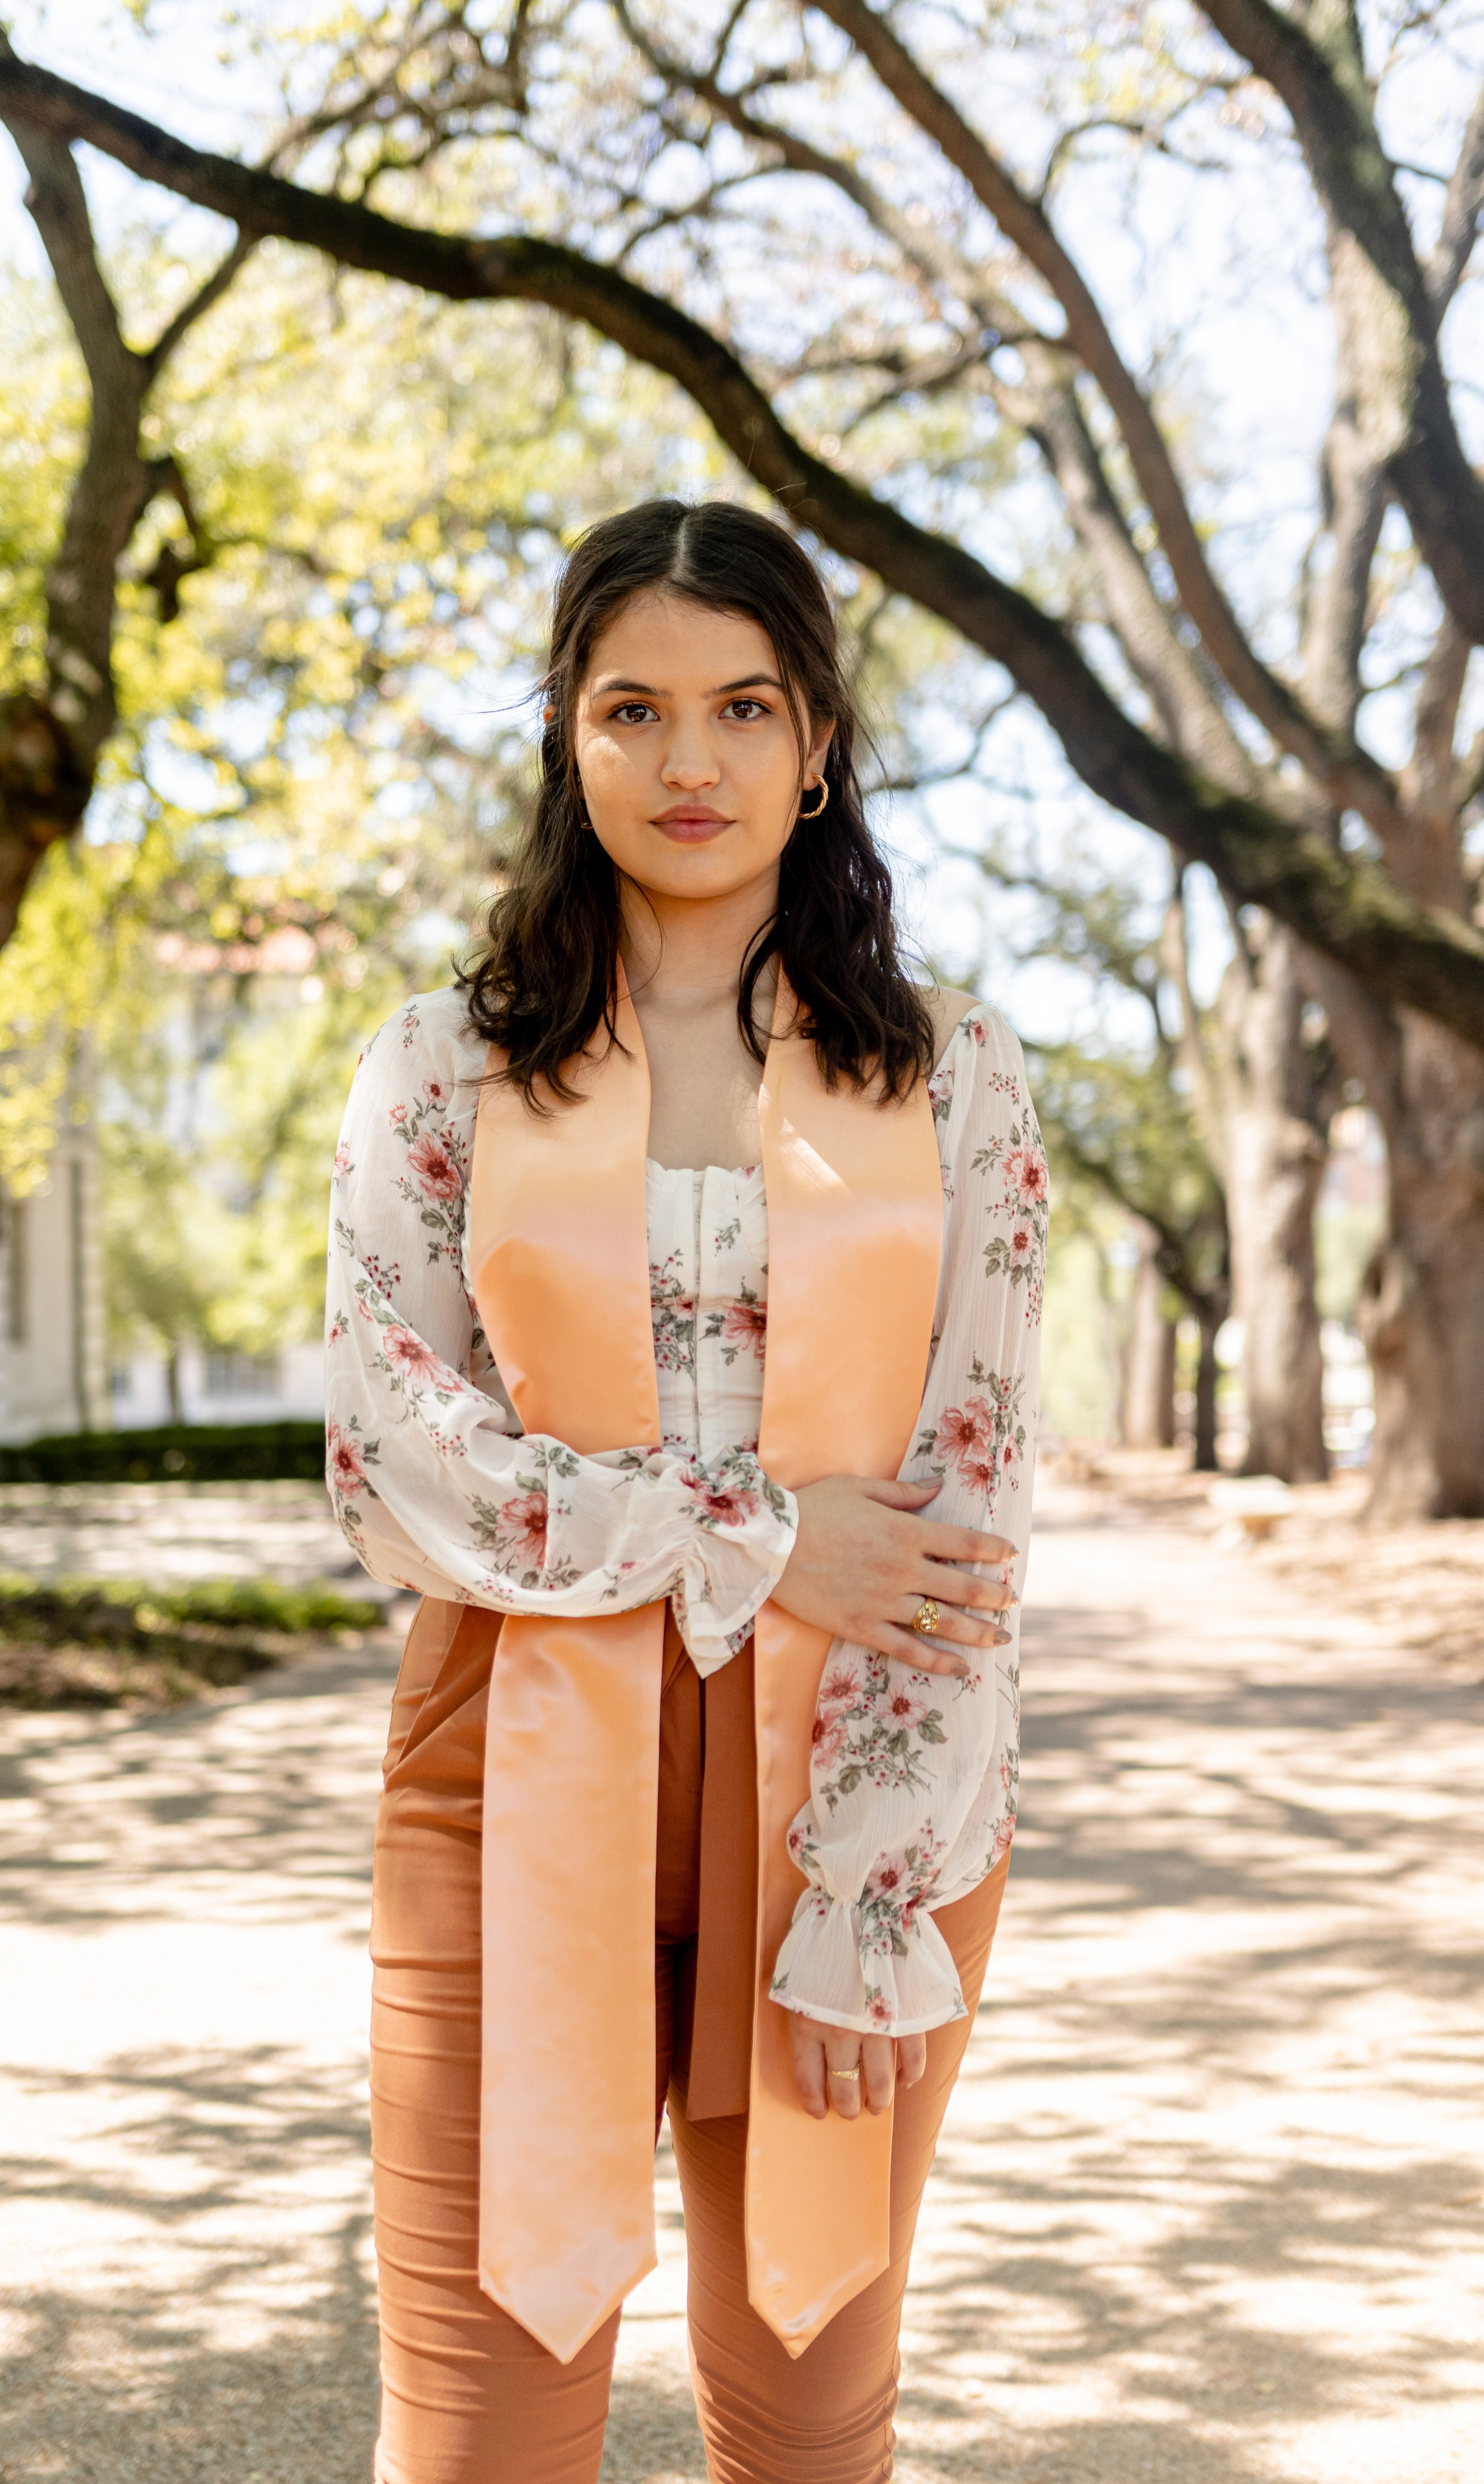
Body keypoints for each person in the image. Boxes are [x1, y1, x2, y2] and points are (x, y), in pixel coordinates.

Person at [325, 497, 1045, 2484]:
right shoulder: (438, 1074)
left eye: (743, 707)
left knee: (810, 2418)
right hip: (508, 1781)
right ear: (569, 735)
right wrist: (759, 1535)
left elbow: (969, 1513)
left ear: (820, 740)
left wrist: (870, 1890)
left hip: (857, 1794)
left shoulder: (958, 1085)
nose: (689, 761)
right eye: (632, 708)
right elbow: (391, 1465)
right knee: (484, 2428)